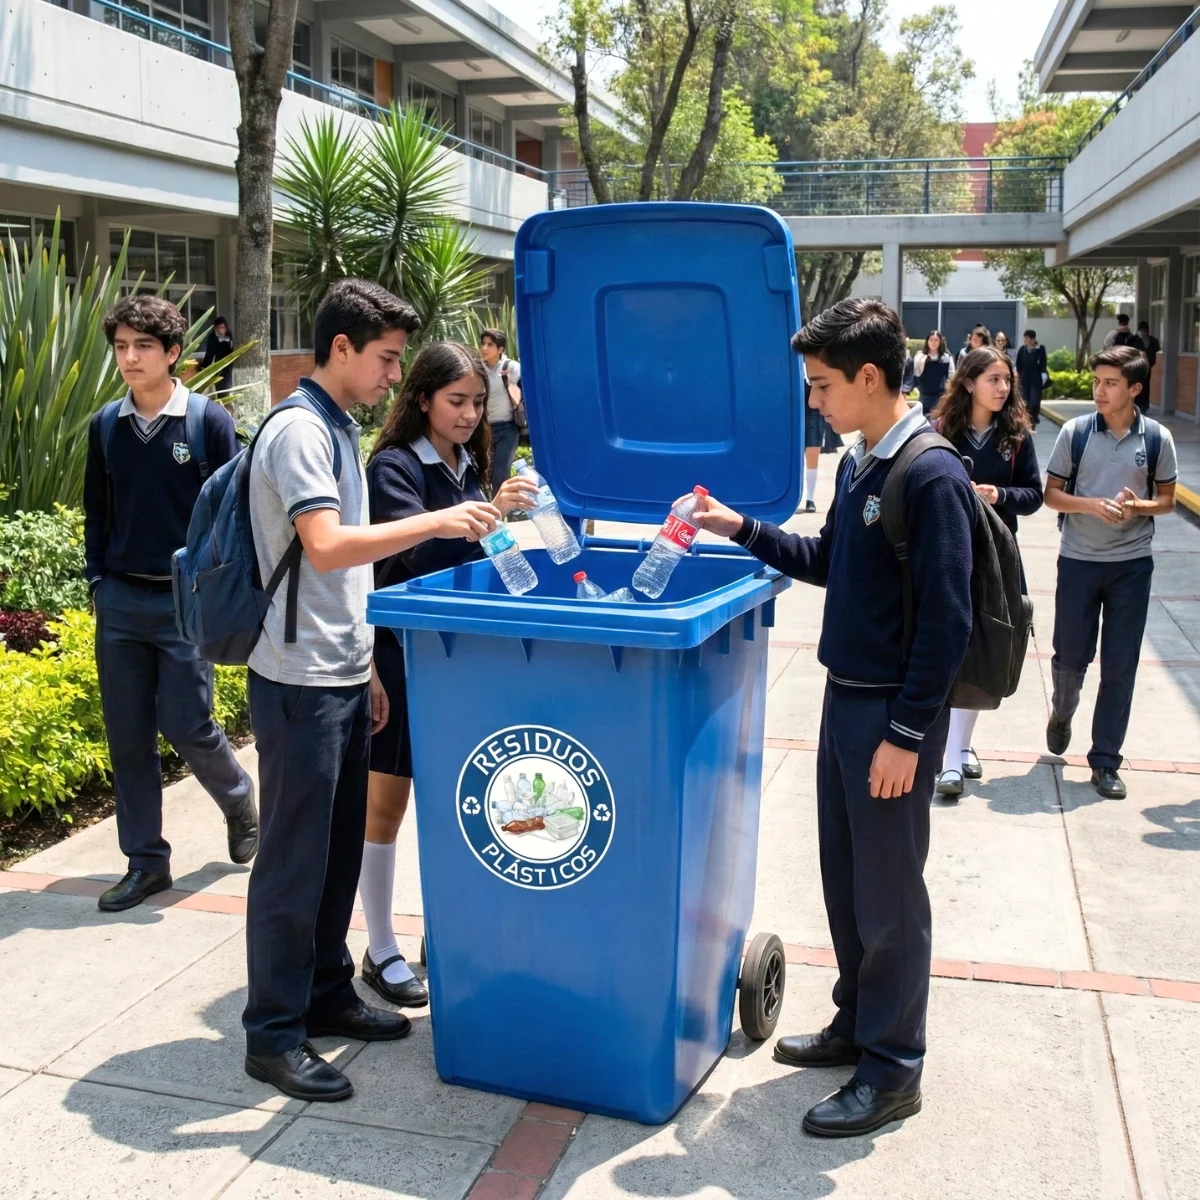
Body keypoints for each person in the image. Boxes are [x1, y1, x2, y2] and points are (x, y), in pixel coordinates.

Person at [691, 298, 974, 1138]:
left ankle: (893, 1068)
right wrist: (740, 528)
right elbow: (829, 562)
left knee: (890, 896)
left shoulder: (930, 474)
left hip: (889, 717)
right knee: (848, 881)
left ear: (870, 377)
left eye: (821, 384)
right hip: (846, 700)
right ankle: (858, 1021)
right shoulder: (860, 465)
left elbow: (948, 621)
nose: (813, 399)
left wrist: (908, 734)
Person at [242, 279, 502, 1103]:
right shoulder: (298, 430)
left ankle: (326, 993)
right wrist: (438, 520)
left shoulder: (335, 425)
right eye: (387, 359)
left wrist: (370, 667)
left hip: (343, 668)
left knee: (335, 850)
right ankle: (272, 1034)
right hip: (299, 677)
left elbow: (346, 576)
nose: (395, 375)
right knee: (293, 861)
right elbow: (326, 546)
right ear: (342, 348)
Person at [357, 343, 537, 1006]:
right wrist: (487, 516)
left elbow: (482, 553)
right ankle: (380, 948)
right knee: (386, 803)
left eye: (477, 403)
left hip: (461, 657)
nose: (468, 414)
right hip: (401, 655)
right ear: (422, 399)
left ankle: (450, 930)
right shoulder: (394, 467)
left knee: (459, 797)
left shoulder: (469, 464)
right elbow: (412, 555)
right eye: (455, 401)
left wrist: (505, 526)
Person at [84, 296, 257, 913]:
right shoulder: (106, 425)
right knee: (127, 732)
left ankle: (237, 796)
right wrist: (98, 581)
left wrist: (222, 589)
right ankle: (146, 862)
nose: (129, 358)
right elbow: (97, 511)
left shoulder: (206, 422)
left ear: (173, 353)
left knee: (187, 722)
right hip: (121, 599)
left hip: (186, 603)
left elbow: (235, 513)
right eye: (121, 347)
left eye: (143, 346)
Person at [1043, 345, 1177, 800]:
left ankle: (1105, 760)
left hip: (1131, 566)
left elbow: (1167, 500)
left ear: (1134, 389)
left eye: (1110, 383)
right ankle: (1062, 711)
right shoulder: (1077, 432)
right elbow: (1051, 494)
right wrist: (1090, 505)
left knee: (1120, 665)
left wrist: (1137, 507)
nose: (1099, 391)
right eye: (1097, 382)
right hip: (1078, 560)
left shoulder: (1156, 438)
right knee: (1070, 656)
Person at [929, 347, 1042, 798]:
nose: (1003, 388)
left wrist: (1000, 496)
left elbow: (1034, 495)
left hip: (998, 559)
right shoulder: (941, 431)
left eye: (1007, 380)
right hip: (949, 552)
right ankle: (950, 755)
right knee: (951, 645)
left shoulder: (1016, 436)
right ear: (969, 382)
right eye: (994, 379)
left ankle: (959, 748)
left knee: (984, 647)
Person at [479, 328, 523, 493]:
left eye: (490, 344)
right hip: (485, 429)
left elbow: (529, 389)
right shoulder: (478, 369)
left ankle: (505, 507)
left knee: (500, 476)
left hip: (507, 428)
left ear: (500, 349)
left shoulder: (511, 367)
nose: (484, 348)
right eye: (483, 344)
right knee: (485, 476)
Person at [910, 330, 954, 415]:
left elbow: (951, 376)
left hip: (940, 396)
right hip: (924, 395)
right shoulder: (920, 357)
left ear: (940, 342)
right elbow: (916, 374)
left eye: (936, 340)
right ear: (927, 341)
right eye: (931, 340)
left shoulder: (946, 357)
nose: (933, 342)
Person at [1016, 329, 1048, 427]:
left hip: (1036, 380)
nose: (1025, 340)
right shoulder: (1022, 349)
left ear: (1033, 339)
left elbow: (1043, 362)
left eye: (1027, 338)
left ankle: (1033, 418)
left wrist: (1043, 374)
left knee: (1034, 401)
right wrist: (1019, 377)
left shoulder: (1040, 349)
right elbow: (1019, 364)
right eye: (1025, 338)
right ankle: (1026, 420)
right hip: (1025, 380)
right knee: (1025, 401)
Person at [200, 316, 234, 394]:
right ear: (216, 328)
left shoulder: (229, 334)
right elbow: (209, 355)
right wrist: (204, 368)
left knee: (227, 386)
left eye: (224, 327)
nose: (222, 330)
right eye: (220, 327)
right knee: (220, 387)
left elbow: (232, 350)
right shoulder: (212, 338)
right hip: (218, 365)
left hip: (228, 364)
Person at [1136, 322, 1160, 411]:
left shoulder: (1151, 340)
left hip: (1145, 366)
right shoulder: (1135, 339)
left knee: (1144, 386)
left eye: (1145, 330)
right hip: (1140, 366)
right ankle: (1140, 404)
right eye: (1143, 330)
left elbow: (1156, 349)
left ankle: (1143, 404)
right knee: (1141, 385)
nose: (1144, 332)